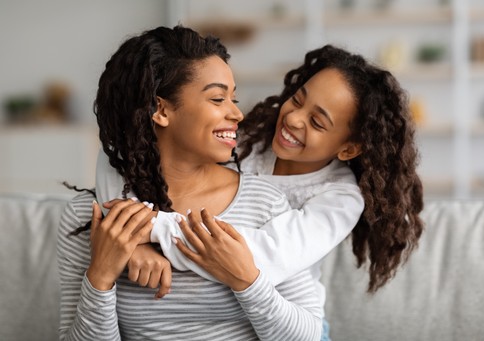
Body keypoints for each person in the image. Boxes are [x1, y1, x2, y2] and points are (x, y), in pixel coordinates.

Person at [96, 44, 424, 341]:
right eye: (297, 98)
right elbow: (124, 147)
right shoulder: (248, 141)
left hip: (289, 319)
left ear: (349, 149)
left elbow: (257, 258)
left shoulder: (339, 199)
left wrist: (151, 230)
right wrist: (129, 240)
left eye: (318, 122)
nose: (294, 118)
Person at [57, 25, 323, 341]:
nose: (237, 113)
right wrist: (100, 276)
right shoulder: (93, 218)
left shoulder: (265, 203)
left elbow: (308, 336)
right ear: (161, 109)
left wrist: (246, 280)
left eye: (233, 98)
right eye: (217, 98)